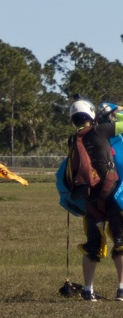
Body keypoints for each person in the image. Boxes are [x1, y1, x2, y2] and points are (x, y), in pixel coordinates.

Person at [68, 98, 123, 301]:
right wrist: (115, 112)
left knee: (93, 245)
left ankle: (88, 290)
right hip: (111, 194)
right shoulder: (101, 131)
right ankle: (121, 289)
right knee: (121, 241)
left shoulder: (73, 140)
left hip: (89, 198)